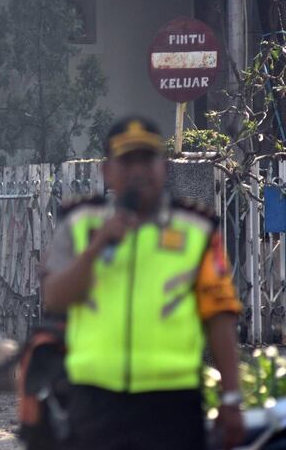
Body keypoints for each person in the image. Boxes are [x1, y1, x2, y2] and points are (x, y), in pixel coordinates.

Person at [41, 117, 244, 450]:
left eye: (146, 159)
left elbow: (219, 316)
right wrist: (97, 247)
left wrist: (232, 397)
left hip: (172, 405)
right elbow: (55, 299)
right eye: (127, 161)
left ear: (163, 167)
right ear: (108, 171)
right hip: (94, 402)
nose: (138, 170)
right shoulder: (79, 224)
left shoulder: (197, 230)